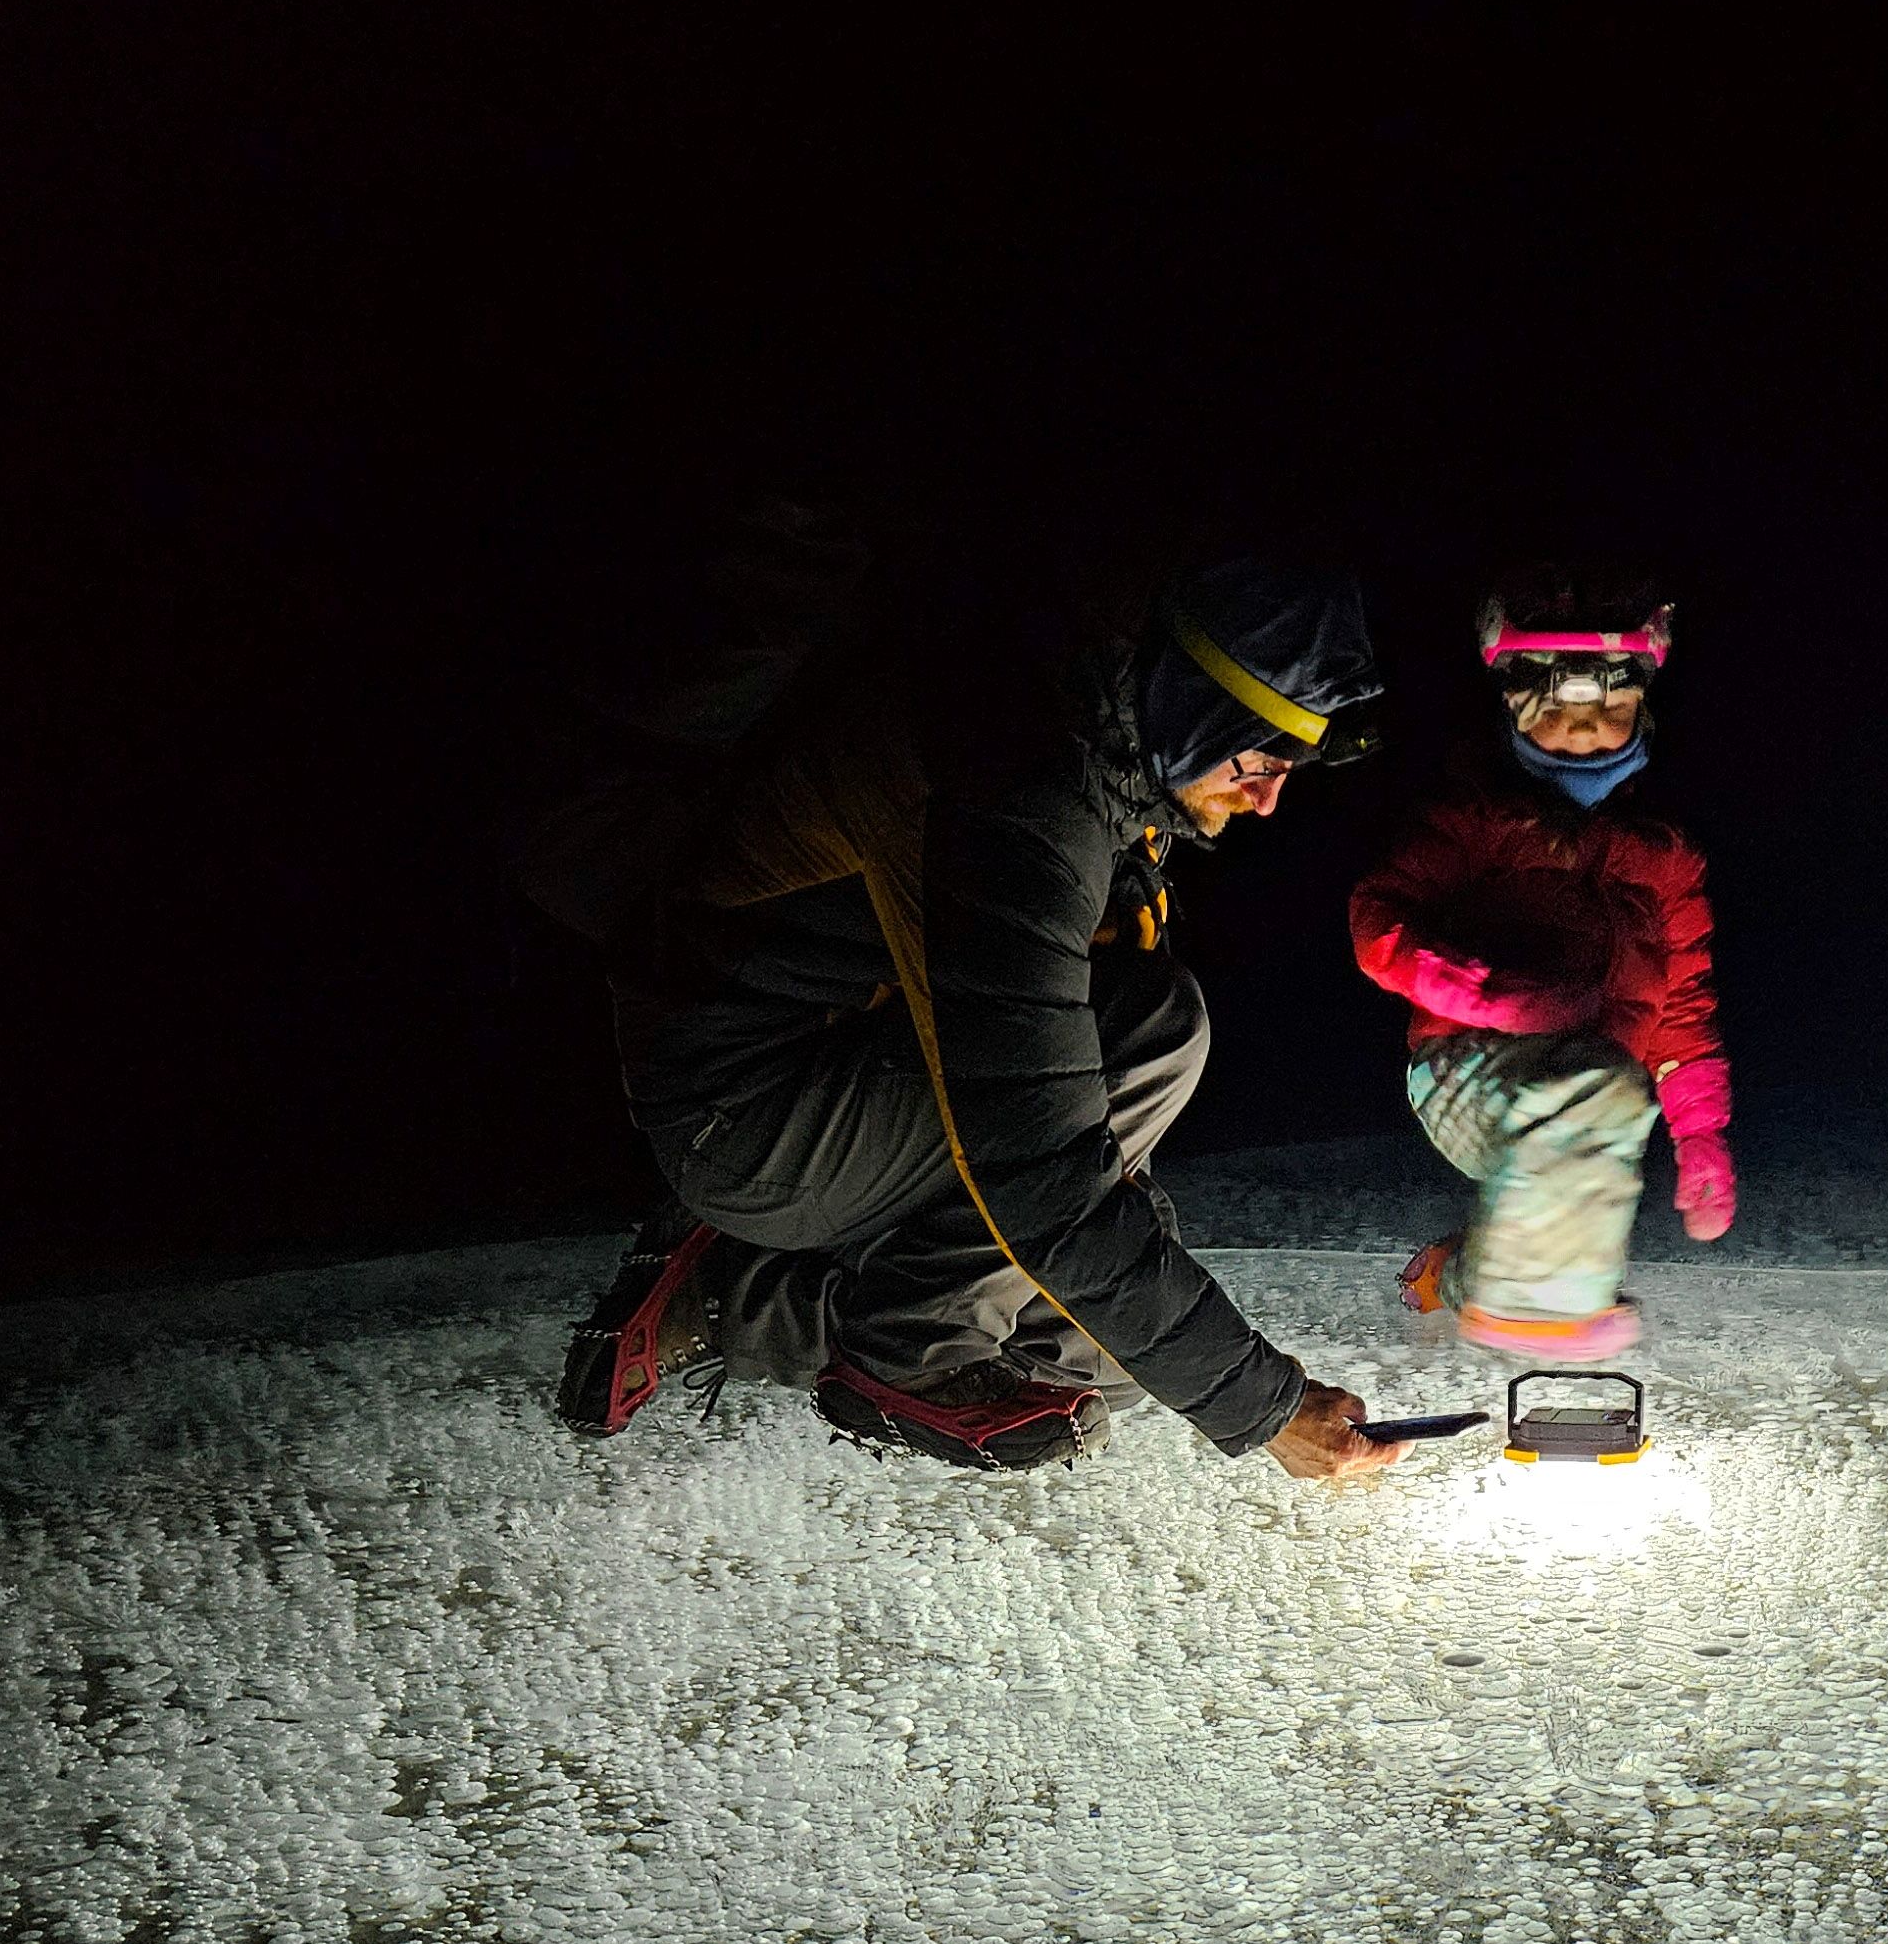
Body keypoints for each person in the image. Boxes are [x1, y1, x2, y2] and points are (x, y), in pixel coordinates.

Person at [541, 519, 1406, 1481]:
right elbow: (1043, 1162)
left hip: (871, 1088)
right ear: (1189, 705)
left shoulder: (1111, 759)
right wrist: (1263, 1405)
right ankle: (896, 1352)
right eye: (1256, 763)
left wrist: (1173, 1321)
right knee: (1154, 1028)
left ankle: (731, 1298)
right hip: (754, 1114)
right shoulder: (1016, 791)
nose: (1269, 802)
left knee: (1102, 1359)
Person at [1347, 566, 1733, 1364]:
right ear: (1517, 712)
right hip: (1467, 1069)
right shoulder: (1475, 822)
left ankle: (1461, 1277)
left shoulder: (1664, 861)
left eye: (1611, 713)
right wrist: (1488, 994)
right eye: (1559, 715)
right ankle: (1533, 1321)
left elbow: (1686, 1006)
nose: (1586, 734)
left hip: (1599, 1088)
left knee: (1606, 1114)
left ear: (1643, 713)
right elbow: (1379, 925)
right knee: (1598, 1096)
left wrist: (1701, 1133)